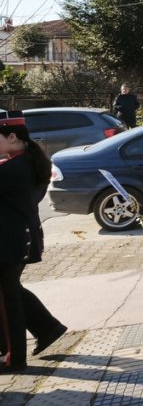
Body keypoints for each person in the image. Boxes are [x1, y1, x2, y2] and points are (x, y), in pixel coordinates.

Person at [0, 110, 67, 374]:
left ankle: (14, 358)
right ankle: (47, 328)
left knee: (8, 303)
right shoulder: (30, 161)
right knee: (11, 293)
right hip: (19, 239)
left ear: (12, 137)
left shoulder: (13, 168)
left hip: (7, 244)